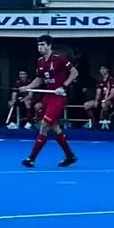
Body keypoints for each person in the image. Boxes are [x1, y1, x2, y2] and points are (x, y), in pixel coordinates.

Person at [21, 34, 78, 167]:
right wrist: (27, 87)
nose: (39, 47)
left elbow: (75, 72)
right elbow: (39, 79)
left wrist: (63, 86)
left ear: (49, 46)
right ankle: (70, 155)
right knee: (55, 127)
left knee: (44, 125)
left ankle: (32, 158)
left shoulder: (59, 58)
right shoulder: (40, 61)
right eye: (38, 45)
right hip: (48, 96)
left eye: (42, 45)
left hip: (58, 97)